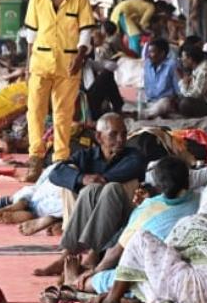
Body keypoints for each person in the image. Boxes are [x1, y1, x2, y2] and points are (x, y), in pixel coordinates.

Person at [97, 175, 207, 303]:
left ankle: (112, 299)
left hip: (204, 295)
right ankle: (123, 293)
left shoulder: (195, 223)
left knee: (140, 240)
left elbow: (160, 262)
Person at [34, 113, 147, 283]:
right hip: (91, 213)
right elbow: (56, 173)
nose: (121, 139)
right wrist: (82, 178)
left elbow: (131, 169)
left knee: (111, 188)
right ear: (99, 137)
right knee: (85, 186)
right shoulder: (87, 155)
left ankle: (92, 255)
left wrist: (100, 180)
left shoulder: (134, 155)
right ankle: (68, 255)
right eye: (113, 134)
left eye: (124, 134)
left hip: (121, 216)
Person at [77, 155, 199, 293]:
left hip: (154, 273)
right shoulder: (203, 201)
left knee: (95, 281)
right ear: (188, 180)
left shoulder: (150, 209)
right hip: (194, 269)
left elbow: (117, 251)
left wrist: (96, 272)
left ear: (157, 186)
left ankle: (76, 281)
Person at [22, 0, 94, 183]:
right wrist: (27, 65)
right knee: (35, 111)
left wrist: (81, 55)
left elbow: (86, 31)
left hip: (69, 65)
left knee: (63, 114)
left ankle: (60, 159)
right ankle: (35, 157)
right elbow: (30, 34)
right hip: (40, 63)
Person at [139, 38, 181, 119]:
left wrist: (174, 100)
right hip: (150, 101)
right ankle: (151, 113)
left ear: (162, 53)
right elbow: (145, 85)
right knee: (139, 98)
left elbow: (178, 89)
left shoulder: (172, 65)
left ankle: (146, 114)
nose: (148, 55)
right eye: (149, 52)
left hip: (166, 100)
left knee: (164, 103)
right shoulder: (147, 64)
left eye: (152, 52)